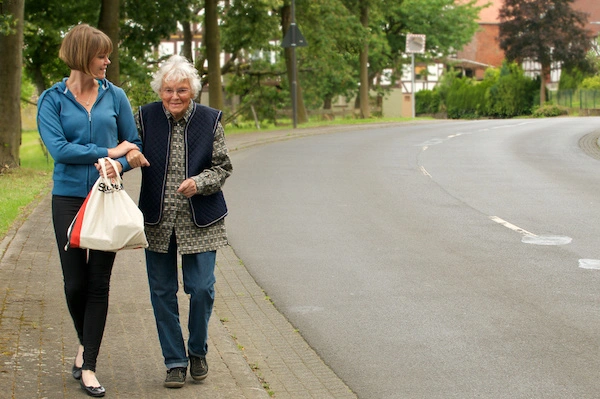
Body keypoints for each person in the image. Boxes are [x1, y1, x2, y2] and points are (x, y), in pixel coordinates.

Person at [37, 23, 147, 398]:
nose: (107, 61)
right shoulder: (51, 100)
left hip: (107, 196)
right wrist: (107, 151)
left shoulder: (115, 96)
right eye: (102, 55)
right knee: (75, 283)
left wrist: (120, 162)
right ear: (84, 55)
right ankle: (85, 342)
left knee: (99, 282)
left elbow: (134, 144)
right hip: (67, 197)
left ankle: (90, 365)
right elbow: (60, 150)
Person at [127, 54, 232, 388]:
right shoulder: (144, 116)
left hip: (201, 218)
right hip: (156, 219)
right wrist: (129, 152)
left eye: (182, 90)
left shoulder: (210, 119)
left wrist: (199, 183)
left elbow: (223, 167)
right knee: (161, 291)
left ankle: (197, 349)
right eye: (168, 90)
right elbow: (130, 147)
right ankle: (174, 361)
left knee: (201, 288)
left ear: (193, 92)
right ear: (160, 91)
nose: (174, 96)